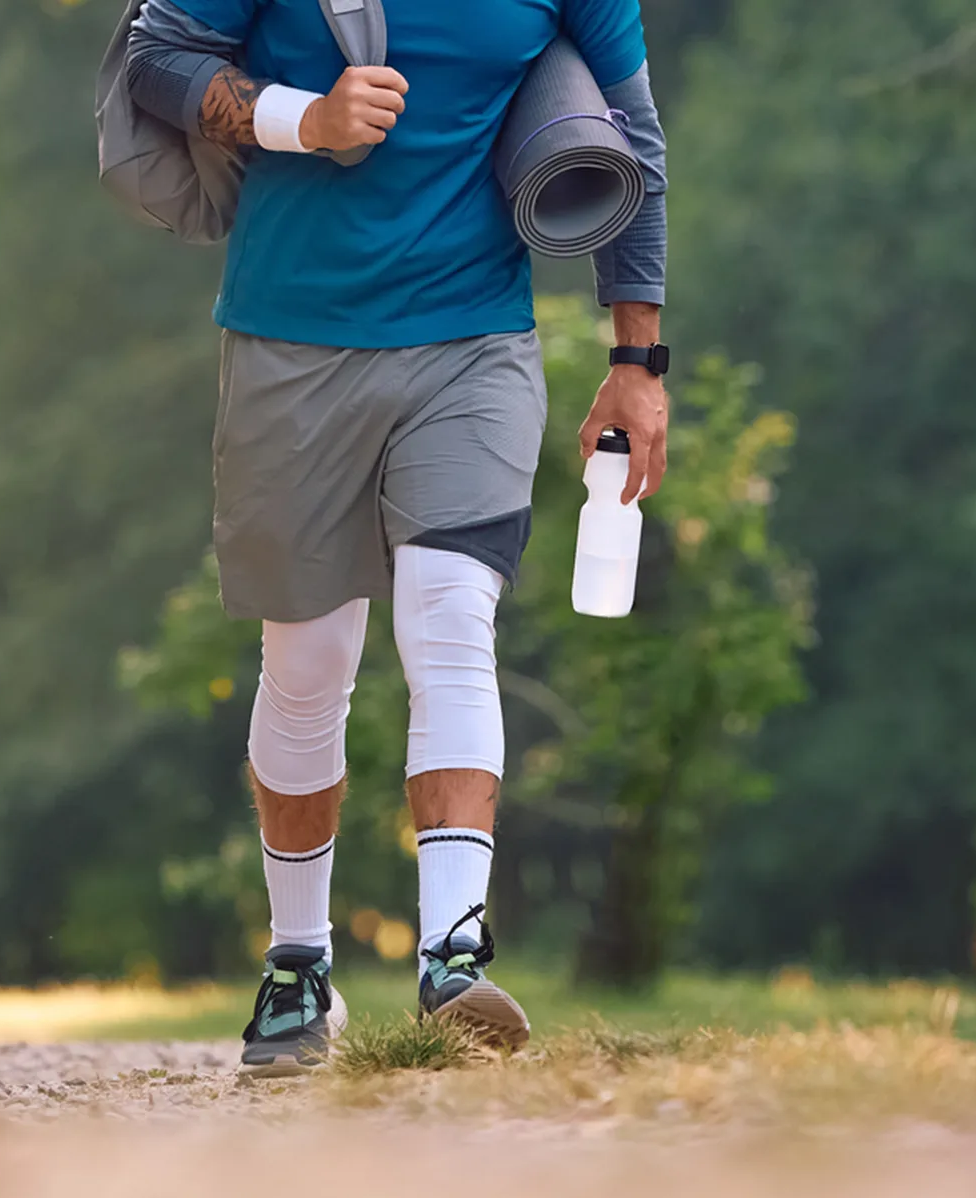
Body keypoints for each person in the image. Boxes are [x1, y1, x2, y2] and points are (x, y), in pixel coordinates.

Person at [125, 0, 672, 1075]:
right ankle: (299, 967)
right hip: (290, 336)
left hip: (473, 338)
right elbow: (156, 60)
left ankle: (453, 957)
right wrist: (305, 119)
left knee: (450, 616)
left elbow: (631, 136)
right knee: (309, 659)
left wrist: (638, 362)